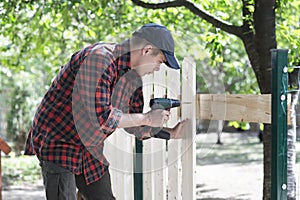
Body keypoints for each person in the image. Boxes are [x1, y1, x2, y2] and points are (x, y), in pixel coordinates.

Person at [24, 23, 188, 200]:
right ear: (147, 50)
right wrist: (148, 118)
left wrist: (170, 133)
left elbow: (136, 126)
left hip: (89, 147)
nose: (158, 68)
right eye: (160, 62)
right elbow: (102, 119)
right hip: (58, 141)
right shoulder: (99, 59)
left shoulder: (133, 79)